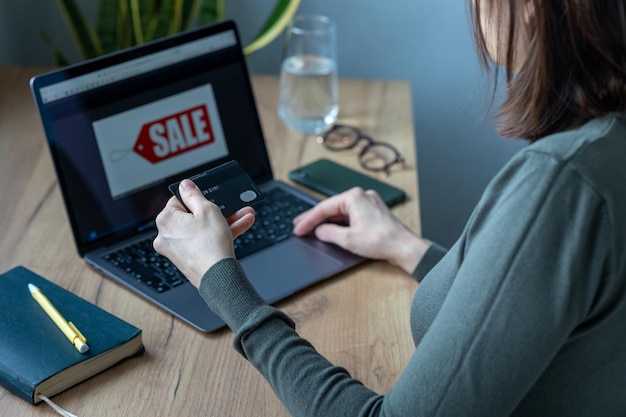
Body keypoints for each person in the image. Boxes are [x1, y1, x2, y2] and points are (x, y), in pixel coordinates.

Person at [153, 0, 626, 415]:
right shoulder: (604, 151)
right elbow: (533, 308)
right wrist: (407, 246)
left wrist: (220, 280)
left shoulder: (562, 184)